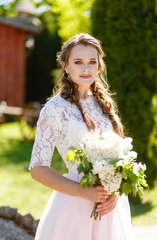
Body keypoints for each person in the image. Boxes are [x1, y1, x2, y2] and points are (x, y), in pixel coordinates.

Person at [29, 33, 136, 240]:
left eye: (91, 62)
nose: (86, 68)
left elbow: (117, 158)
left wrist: (115, 191)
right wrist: (83, 191)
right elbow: (37, 169)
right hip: (74, 206)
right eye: (78, 62)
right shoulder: (54, 109)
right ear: (65, 65)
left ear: (99, 66)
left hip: (109, 209)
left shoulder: (104, 104)